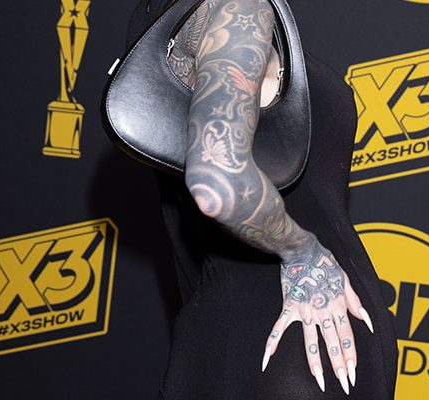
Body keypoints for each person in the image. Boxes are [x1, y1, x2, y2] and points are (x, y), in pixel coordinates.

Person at [125, 0, 398, 398]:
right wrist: (303, 252)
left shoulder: (157, 19)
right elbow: (218, 180)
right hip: (302, 337)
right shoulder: (237, 8)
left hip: (228, 336)